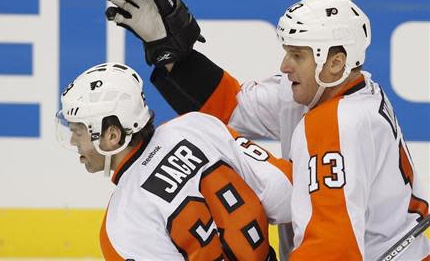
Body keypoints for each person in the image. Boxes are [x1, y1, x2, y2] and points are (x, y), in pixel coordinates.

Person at [106, 0, 430, 260]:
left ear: (335, 63)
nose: (285, 65)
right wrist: (174, 56)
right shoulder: (323, 92)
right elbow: (232, 109)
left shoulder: (337, 124)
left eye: (298, 55)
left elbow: (333, 249)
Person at [55, 62, 293, 260]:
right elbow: (285, 192)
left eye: (78, 131)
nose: (74, 142)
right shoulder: (198, 125)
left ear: (112, 135)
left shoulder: (121, 223)